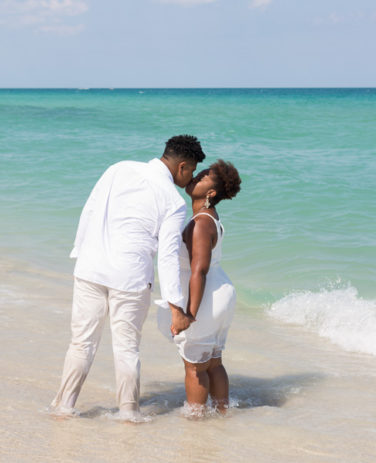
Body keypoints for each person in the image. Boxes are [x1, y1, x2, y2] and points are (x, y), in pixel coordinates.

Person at [49, 135, 204, 419]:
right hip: (130, 278)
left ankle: (63, 407)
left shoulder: (118, 168)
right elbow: (168, 256)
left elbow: (91, 209)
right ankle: (128, 413)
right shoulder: (173, 200)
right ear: (182, 166)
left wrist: (79, 252)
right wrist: (176, 307)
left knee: (81, 342)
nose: (190, 178)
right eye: (192, 171)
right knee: (126, 348)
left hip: (90, 269)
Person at [158, 159, 242, 416]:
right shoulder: (209, 218)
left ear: (211, 193)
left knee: (194, 366)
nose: (196, 177)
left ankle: (196, 423)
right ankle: (222, 414)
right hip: (220, 293)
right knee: (213, 363)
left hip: (205, 298)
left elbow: (199, 270)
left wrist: (189, 314)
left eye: (203, 176)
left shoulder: (201, 222)